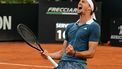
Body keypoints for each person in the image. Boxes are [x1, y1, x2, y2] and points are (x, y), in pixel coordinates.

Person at [41, 0, 100, 69]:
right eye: (79, 1)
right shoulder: (70, 26)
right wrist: (48, 55)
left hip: (77, 65)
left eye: (83, 1)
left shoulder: (94, 26)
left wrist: (74, 53)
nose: (80, 3)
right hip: (62, 64)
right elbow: (62, 53)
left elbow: (91, 53)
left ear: (90, 8)